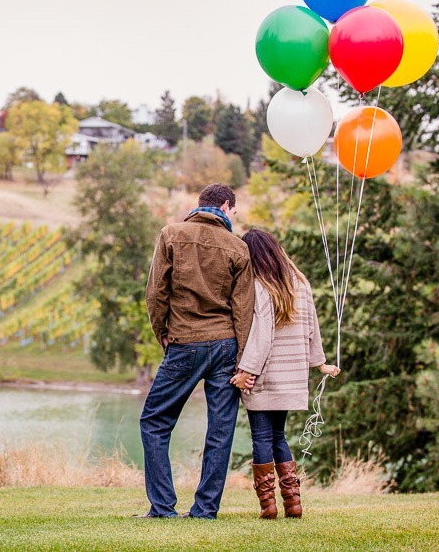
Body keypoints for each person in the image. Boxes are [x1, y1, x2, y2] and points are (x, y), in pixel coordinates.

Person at [137, 183, 255, 519]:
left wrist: (162, 332)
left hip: (184, 342)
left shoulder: (171, 234)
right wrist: (242, 359)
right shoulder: (238, 247)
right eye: (233, 210)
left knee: (154, 421)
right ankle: (205, 510)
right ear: (227, 206)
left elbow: (155, 292)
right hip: (226, 345)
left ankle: (162, 507)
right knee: (220, 429)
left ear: (199, 204)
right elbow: (243, 309)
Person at [230, 229, 340, 519]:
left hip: (265, 376)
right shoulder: (300, 282)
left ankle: (268, 507)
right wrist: (320, 363)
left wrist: (246, 372)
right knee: (278, 436)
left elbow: (262, 336)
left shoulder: (260, 286)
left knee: (261, 439)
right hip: (292, 376)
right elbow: (311, 327)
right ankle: (294, 503)